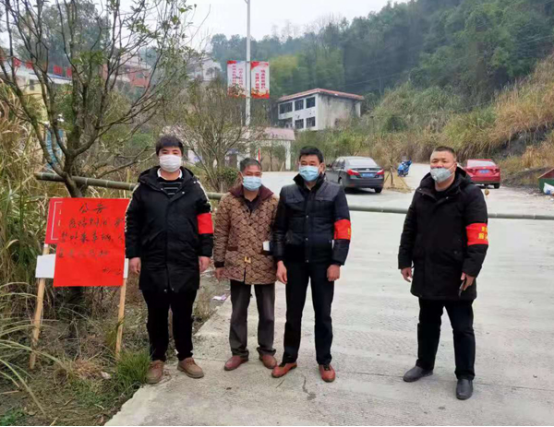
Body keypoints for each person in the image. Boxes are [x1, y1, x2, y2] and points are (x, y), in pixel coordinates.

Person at [398, 146, 489, 401]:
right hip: (427, 270)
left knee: (462, 328)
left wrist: (471, 269)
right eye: (434, 161)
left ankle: (465, 376)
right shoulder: (423, 191)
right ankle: (424, 364)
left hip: (457, 275)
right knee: (427, 323)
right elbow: (410, 228)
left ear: (455, 164)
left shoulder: (470, 194)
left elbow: (478, 236)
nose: (438, 165)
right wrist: (404, 260)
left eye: (444, 161)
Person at [125, 135, 214, 385]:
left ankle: (186, 356)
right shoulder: (144, 188)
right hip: (153, 260)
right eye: (165, 152)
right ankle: (157, 358)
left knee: (184, 312)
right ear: (158, 156)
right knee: (156, 313)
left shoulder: (194, 187)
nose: (170, 157)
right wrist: (133, 254)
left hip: (185, 259)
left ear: (181, 156)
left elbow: (205, 222)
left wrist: (205, 252)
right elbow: (132, 223)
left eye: (175, 152)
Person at [272, 147, 351, 383]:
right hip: (294, 262)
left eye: (312, 163)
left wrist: (336, 262)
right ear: (298, 164)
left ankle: (324, 360)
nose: (308, 167)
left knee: (323, 314)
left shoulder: (334, 192)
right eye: (304, 163)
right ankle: (289, 357)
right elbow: (279, 230)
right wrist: (279, 261)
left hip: (322, 263)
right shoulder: (288, 192)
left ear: (322, 167)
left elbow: (343, 230)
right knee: (292, 313)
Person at [214, 158, 280, 372]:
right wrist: (219, 262)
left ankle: (266, 350)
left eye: (257, 174)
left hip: (264, 263)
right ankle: (238, 352)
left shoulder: (272, 201)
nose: (253, 178)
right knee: (238, 311)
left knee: (267, 312)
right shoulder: (228, 201)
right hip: (237, 263)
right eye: (249, 174)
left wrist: (281, 262)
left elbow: (279, 233)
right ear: (241, 175)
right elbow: (221, 232)